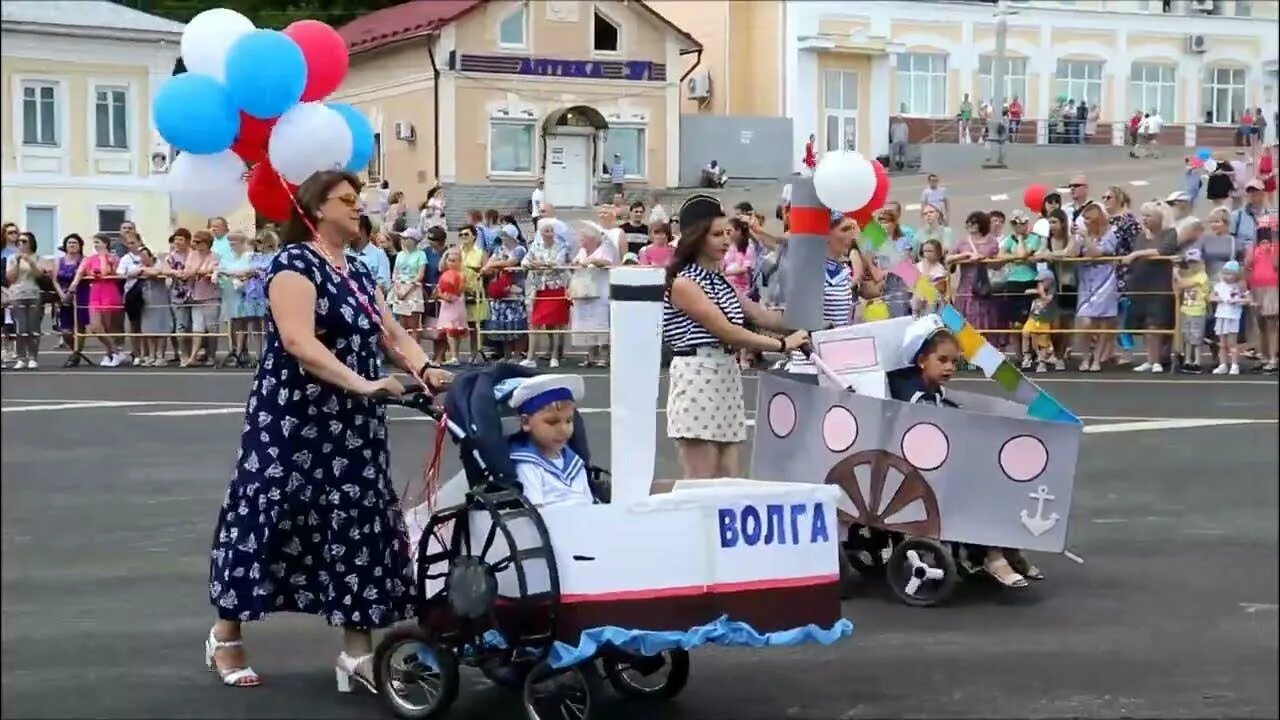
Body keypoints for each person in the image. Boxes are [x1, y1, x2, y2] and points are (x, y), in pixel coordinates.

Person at [206, 170, 451, 692]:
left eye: (358, 199)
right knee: (268, 515)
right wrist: (360, 383)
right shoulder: (292, 264)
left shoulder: (360, 270)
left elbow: (390, 332)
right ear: (316, 209)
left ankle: (356, 654)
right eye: (347, 200)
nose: (358, 207)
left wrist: (424, 369)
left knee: (358, 524)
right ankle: (226, 634)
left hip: (353, 428)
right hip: (292, 421)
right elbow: (298, 342)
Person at [887, 316, 1040, 588]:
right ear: (922, 360)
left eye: (954, 362)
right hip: (918, 468)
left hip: (935, 460)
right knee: (978, 484)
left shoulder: (933, 391)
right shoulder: (914, 394)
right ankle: (991, 554)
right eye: (942, 360)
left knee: (1000, 474)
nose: (949, 368)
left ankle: (1006, 547)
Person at [663, 197, 808, 480]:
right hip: (696, 374)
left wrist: (813, 322)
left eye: (728, 233)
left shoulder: (719, 280)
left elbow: (763, 316)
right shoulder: (684, 283)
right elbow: (725, 330)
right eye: (717, 234)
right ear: (696, 238)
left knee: (730, 476)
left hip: (725, 375)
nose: (726, 240)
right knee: (702, 480)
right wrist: (781, 345)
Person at [508, 375, 594, 507]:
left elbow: (589, 502)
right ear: (526, 422)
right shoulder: (528, 465)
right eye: (552, 422)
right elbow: (536, 513)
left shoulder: (574, 462)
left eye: (569, 421)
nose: (564, 429)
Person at [1122, 202, 1179, 373]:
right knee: (1146, 323)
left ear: (1160, 218)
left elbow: (1164, 250)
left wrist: (1137, 254)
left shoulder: (1170, 233)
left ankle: (1159, 360)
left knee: (1157, 323)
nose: (1144, 219)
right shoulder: (1141, 236)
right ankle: (1150, 358)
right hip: (1141, 282)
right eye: (1143, 216)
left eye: (1148, 216)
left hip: (1160, 282)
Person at [69, 233, 125, 367]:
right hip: (95, 292)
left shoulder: (111, 258)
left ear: (105, 244)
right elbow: (81, 271)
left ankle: (110, 354)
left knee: (107, 327)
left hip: (108, 292)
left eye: (98, 242)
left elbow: (106, 272)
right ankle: (115, 351)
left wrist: (103, 256)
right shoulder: (90, 258)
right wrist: (74, 284)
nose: (95, 245)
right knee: (95, 327)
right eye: (94, 242)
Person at [521, 219, 571, 368]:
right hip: (539, 288)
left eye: (551, 231)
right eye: (546, 231)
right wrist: (538, 264)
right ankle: (531, 358)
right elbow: (525, 262)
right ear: (540, 233)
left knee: (556, 324)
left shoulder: (562, 246)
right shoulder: (535, 246)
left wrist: (539, 264)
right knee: (535, 323)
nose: (549, 234)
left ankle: (555, 356)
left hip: (555, 287)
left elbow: (558, 263)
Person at [569, 223, 617, 368]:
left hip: (600, 292)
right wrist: (574, 264)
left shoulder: (604, 249)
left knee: (601, 323)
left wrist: (593, 261)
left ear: (592, 239)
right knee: (586, 325)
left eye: (583, 238)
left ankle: (604, 356)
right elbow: (575, 264)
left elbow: (608, 262)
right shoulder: (582, 251)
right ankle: (590, 356)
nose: (580, 241)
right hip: (583, 292)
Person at [4, 230, 46, 369]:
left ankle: (33, 357)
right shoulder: (12, 257)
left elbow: (39, 275)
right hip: (17, 295)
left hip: (33, 294)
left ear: (31, 243)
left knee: (33, 328)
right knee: (21, 328)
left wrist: (31, 262)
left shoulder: (37, 257)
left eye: (24, 241)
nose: (21, 244)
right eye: (19, 241)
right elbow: (10, 278)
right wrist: (17, 261)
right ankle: (21, 357)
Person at [1245, 225, 1278, 373]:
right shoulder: (1253, 249)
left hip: (1272, 288)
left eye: (1268, 237)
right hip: (1256, 288)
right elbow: (1248, 264)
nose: (1265, 240)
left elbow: (1276, 264)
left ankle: (1273, 358)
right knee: (1260, 325)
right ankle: (1263, 356)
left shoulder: (1275, 249)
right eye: (1262, 237)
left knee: (1272, 324)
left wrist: (1273, 248)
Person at [53, 233, 90, 367]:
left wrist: (71, 291)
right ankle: (75, 350)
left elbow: (79, 276)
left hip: (80, 294)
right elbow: (55, 279)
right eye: (69, 243)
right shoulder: (59, 260)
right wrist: (62, 295)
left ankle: (75, 354)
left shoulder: (84, 259)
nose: (72, 245)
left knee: (79, 327)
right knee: (66, 331)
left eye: (75, 243)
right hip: (63, 296)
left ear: (80, 245)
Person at [1175, 247, 1210, 373]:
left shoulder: (1202, 276)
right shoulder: (1190, 275)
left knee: (1196, 338)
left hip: (1198, 311)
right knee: (1187, 338)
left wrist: (1176, 274)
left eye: (1195, 262)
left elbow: (1184, 284)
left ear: (1201, 263)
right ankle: (1188, 360)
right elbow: (1179, 287)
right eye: (1190, 262)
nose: (1192, 265)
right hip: (1187, 310)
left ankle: (1197, 362)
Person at [1210, 260, 1248, 375]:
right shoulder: (1219, 286)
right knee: (1222, 344)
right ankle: (1223, 365)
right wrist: (1218, 299)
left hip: (1233, 317)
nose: (1227, 276)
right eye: (1225, 273)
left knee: (1232, 343)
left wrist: (1237, 300)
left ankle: (1234, 365)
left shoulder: (1240, 286)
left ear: (1236, 275)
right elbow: (1211, 297)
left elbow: (1248, 300)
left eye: (1230, 273)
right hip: (1221, 316)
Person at [1021, 268, 1063, 372]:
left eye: (1043, 281)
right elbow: (1026, 292)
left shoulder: (1051, 292)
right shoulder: (1037, 289)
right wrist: (1037, 290)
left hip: (1044, 320)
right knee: (1025, 333)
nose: (1040, 283)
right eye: (1039, 281)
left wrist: (1042, 292)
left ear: (1049, 281)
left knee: (1043, 342)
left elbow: (1047, 300)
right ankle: (1026, 356)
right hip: (1033, 318)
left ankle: (1042, 362)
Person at [435, 247, 468, 365]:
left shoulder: (462, 275)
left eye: (454, 261)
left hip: (456, 303)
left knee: (454, 330)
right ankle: (453, 356)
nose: (451, 263)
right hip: (446, 305)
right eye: (449, 260)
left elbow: (460, 290)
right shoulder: (444, 275)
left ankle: (455, 356)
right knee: (449, 330)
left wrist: (452, 294)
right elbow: (438, 291)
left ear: (460, 262)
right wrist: (444, 297)